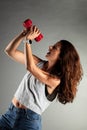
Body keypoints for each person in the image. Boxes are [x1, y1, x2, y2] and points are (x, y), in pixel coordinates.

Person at [0, 26, 83, 130]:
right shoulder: (38, 63)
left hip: (28, 121)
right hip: (9, 114)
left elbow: (30, 68)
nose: (50, 47)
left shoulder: (55, 80)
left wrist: (28, 41)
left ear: (62, 57)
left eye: (55, 48)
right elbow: (9, 51)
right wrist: (23, 35)